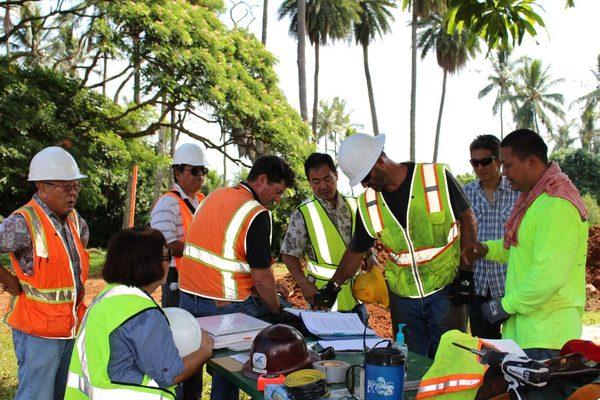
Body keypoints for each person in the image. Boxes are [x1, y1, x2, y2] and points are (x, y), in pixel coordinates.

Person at [314, 134, 477, 359]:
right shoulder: (369, 203)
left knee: (451, 360)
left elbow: (469, 221)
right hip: (403, 300)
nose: (365, 184)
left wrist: (467, 274)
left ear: (380, 161)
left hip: (447, 291)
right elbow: (356, 249)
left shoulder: (435, 177)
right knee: (412, 363)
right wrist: (333, 286)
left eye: (366, 176)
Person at [178, 154, 295, 400]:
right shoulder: (256, 213)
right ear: (261, 180)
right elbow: (262, 277)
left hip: (188, 299)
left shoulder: (214, 196)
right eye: (277, 191)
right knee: (284, 329)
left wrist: (273, 287)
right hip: (224, 305)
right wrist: (276, 309)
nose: (278, 199)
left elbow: (229, 257)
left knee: (188, 369)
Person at [466, 129, 588, 360]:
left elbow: (547, 277)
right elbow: (520, 248)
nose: (504, 173)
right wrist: (486, 249)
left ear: (531, 162)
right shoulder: (535, 201)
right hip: (529, 332)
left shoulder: (555, 207)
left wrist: (504, 305)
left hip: (547, 336)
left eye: (508, 165)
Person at [65, 228, 213, 399]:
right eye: (167, 256)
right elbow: (170, 374)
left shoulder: (108, 296)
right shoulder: (143, 313)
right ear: (148, 264)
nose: (169, 263)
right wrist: (204, 350)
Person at [0, 146, 89, 400]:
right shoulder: (23, 221)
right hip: (37, 332)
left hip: (69, 328)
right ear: (42, 187)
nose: (72, 193)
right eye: (65, 186)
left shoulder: (73, 219)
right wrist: (8, 280)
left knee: (62, 394)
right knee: (36, 395)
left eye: (76, 186)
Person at [281, 153, 377, 321]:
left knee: (361, 344)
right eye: (316, 181)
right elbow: (289, 254)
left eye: (327, 178)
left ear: (336, 175)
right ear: (309, 182)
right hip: (322, 297)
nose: (323, 186)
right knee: (329, 345)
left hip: (356, 293)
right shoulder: (303, 212)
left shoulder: (355, 204)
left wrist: (371, 255)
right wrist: (304, 285)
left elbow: (364, 237)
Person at [463, 135, 519, 339]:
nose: (480, 167)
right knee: (487, 350)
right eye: (474, 162)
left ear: (498, 160)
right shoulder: (465, 194)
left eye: (485, 161)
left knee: (516, 348)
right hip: (478, 285)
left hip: (511, 285)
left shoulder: (518, 193)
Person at [151, 142, 208, 308]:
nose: (200, 176)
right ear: (178, 173)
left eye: (203, 170)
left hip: (201, 278)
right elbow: (165, 245)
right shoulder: (167, 203)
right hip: (176, 280)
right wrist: (204, 252)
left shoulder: (203, 201)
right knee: (180, 326)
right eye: (194, 171)